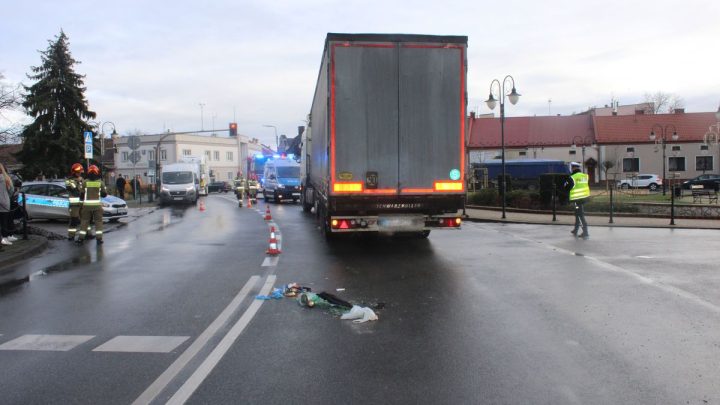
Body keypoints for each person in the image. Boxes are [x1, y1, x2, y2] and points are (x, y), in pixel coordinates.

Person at [77, 165, 108, 245]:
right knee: (98, 222)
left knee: (84, 222)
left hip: (86, 206)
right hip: (97, 206)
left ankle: (81, 239)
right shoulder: (100, 182)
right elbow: (104, 195)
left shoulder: (85, 182)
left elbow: (81, 195)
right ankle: (99, 239)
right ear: (97, 172)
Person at [567, 162, 590, 239]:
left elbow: (567, 186)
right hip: (584, 198)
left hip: (577, 199)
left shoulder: (573, 177)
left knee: (580, 215)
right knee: (577, 213)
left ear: (573, 168)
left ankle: (585, 231)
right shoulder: (585, 176)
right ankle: (576, 229)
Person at [65, 163, 85, 241]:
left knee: (85, 219)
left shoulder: (81, 179)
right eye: (78, 172)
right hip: (74, 204)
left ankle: (87, 234)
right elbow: (75, 190)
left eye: (80, 172)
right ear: (74, 172)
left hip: (82, 203)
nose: (79, 173)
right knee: (74, 220)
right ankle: (71, 236)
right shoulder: (69, 180)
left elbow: (84, 188)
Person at [0, 163, 15, 247]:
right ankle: (5, 238)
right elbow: (11, 190)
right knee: (4, 221)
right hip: (5, 202)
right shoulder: (6, 178)